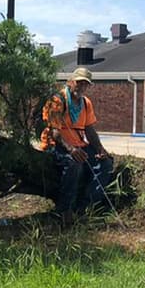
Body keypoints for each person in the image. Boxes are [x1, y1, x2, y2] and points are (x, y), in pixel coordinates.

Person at [40, 67, 113, 218]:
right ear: (71, 82)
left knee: (106, 164)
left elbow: (89, 130)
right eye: (79, 83)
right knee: (74, 165)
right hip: (57, 145)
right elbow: (55, 133)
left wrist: (100, 149)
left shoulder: (86, 103)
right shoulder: (57, 101)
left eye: (86, 84)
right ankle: (64, 210)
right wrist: (71, 149)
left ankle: (85, 207)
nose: (82, 87)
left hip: (79, 145)